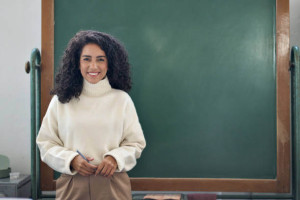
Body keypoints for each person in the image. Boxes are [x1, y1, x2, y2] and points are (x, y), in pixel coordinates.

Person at [36, 30, 146, 200]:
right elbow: (45, 143)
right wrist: (71, 160)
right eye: (86, 59)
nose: (93, 67)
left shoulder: (121, 100)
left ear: (110, 64)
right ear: (77, 63)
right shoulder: (61, 101)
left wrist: (114, 158)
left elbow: (136, 144)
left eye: (100, 59)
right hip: (72, 185)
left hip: (113, 184)